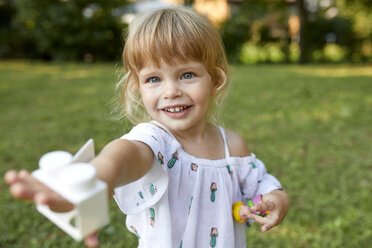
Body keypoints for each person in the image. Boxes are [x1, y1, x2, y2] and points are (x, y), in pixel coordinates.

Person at [4, 6, 290, 248]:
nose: (171, 91)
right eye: (154, 79)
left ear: (215, 80)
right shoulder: (155, 140)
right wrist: (94, 180)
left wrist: (276, 201)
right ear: (138, 86)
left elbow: (262, 188)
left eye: (187, 74)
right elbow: (123, 155)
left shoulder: (233, 146)